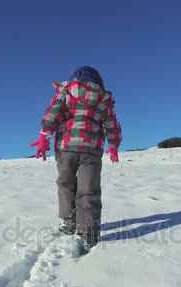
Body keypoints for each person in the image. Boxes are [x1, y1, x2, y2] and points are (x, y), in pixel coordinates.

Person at [30, 66, 122, 254]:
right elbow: (111, 124)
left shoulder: (65, 92)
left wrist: (44, 135)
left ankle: (69, 221)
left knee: (66, 185)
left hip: (66, 148)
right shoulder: (104, 98)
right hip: (91, 149)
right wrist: (113, 145)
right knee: (88, 189)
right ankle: (88, 232)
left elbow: (53, 113)